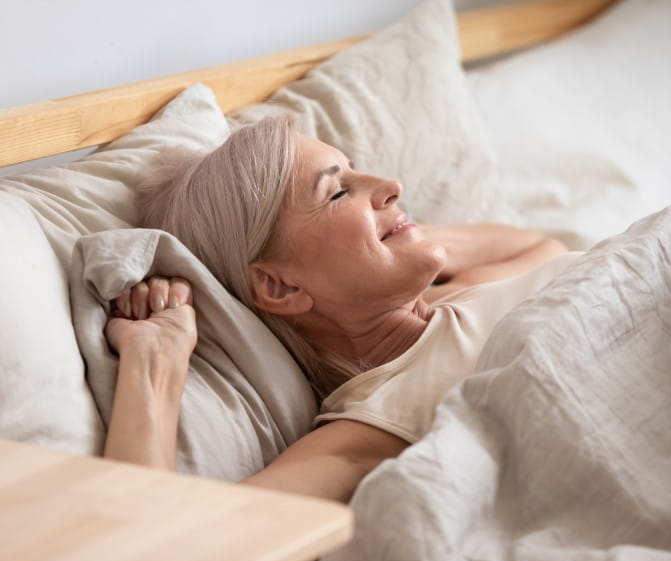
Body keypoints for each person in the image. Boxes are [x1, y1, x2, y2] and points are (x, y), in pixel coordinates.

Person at [104, 116, 574, 505]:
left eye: (354, 171)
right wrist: (154, 363)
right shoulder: (371, 430)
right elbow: (158, 553)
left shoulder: (464, 294)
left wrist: (404, 238)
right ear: (281, 286)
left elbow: (542, 245)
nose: (392, 185)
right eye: (337, 191)